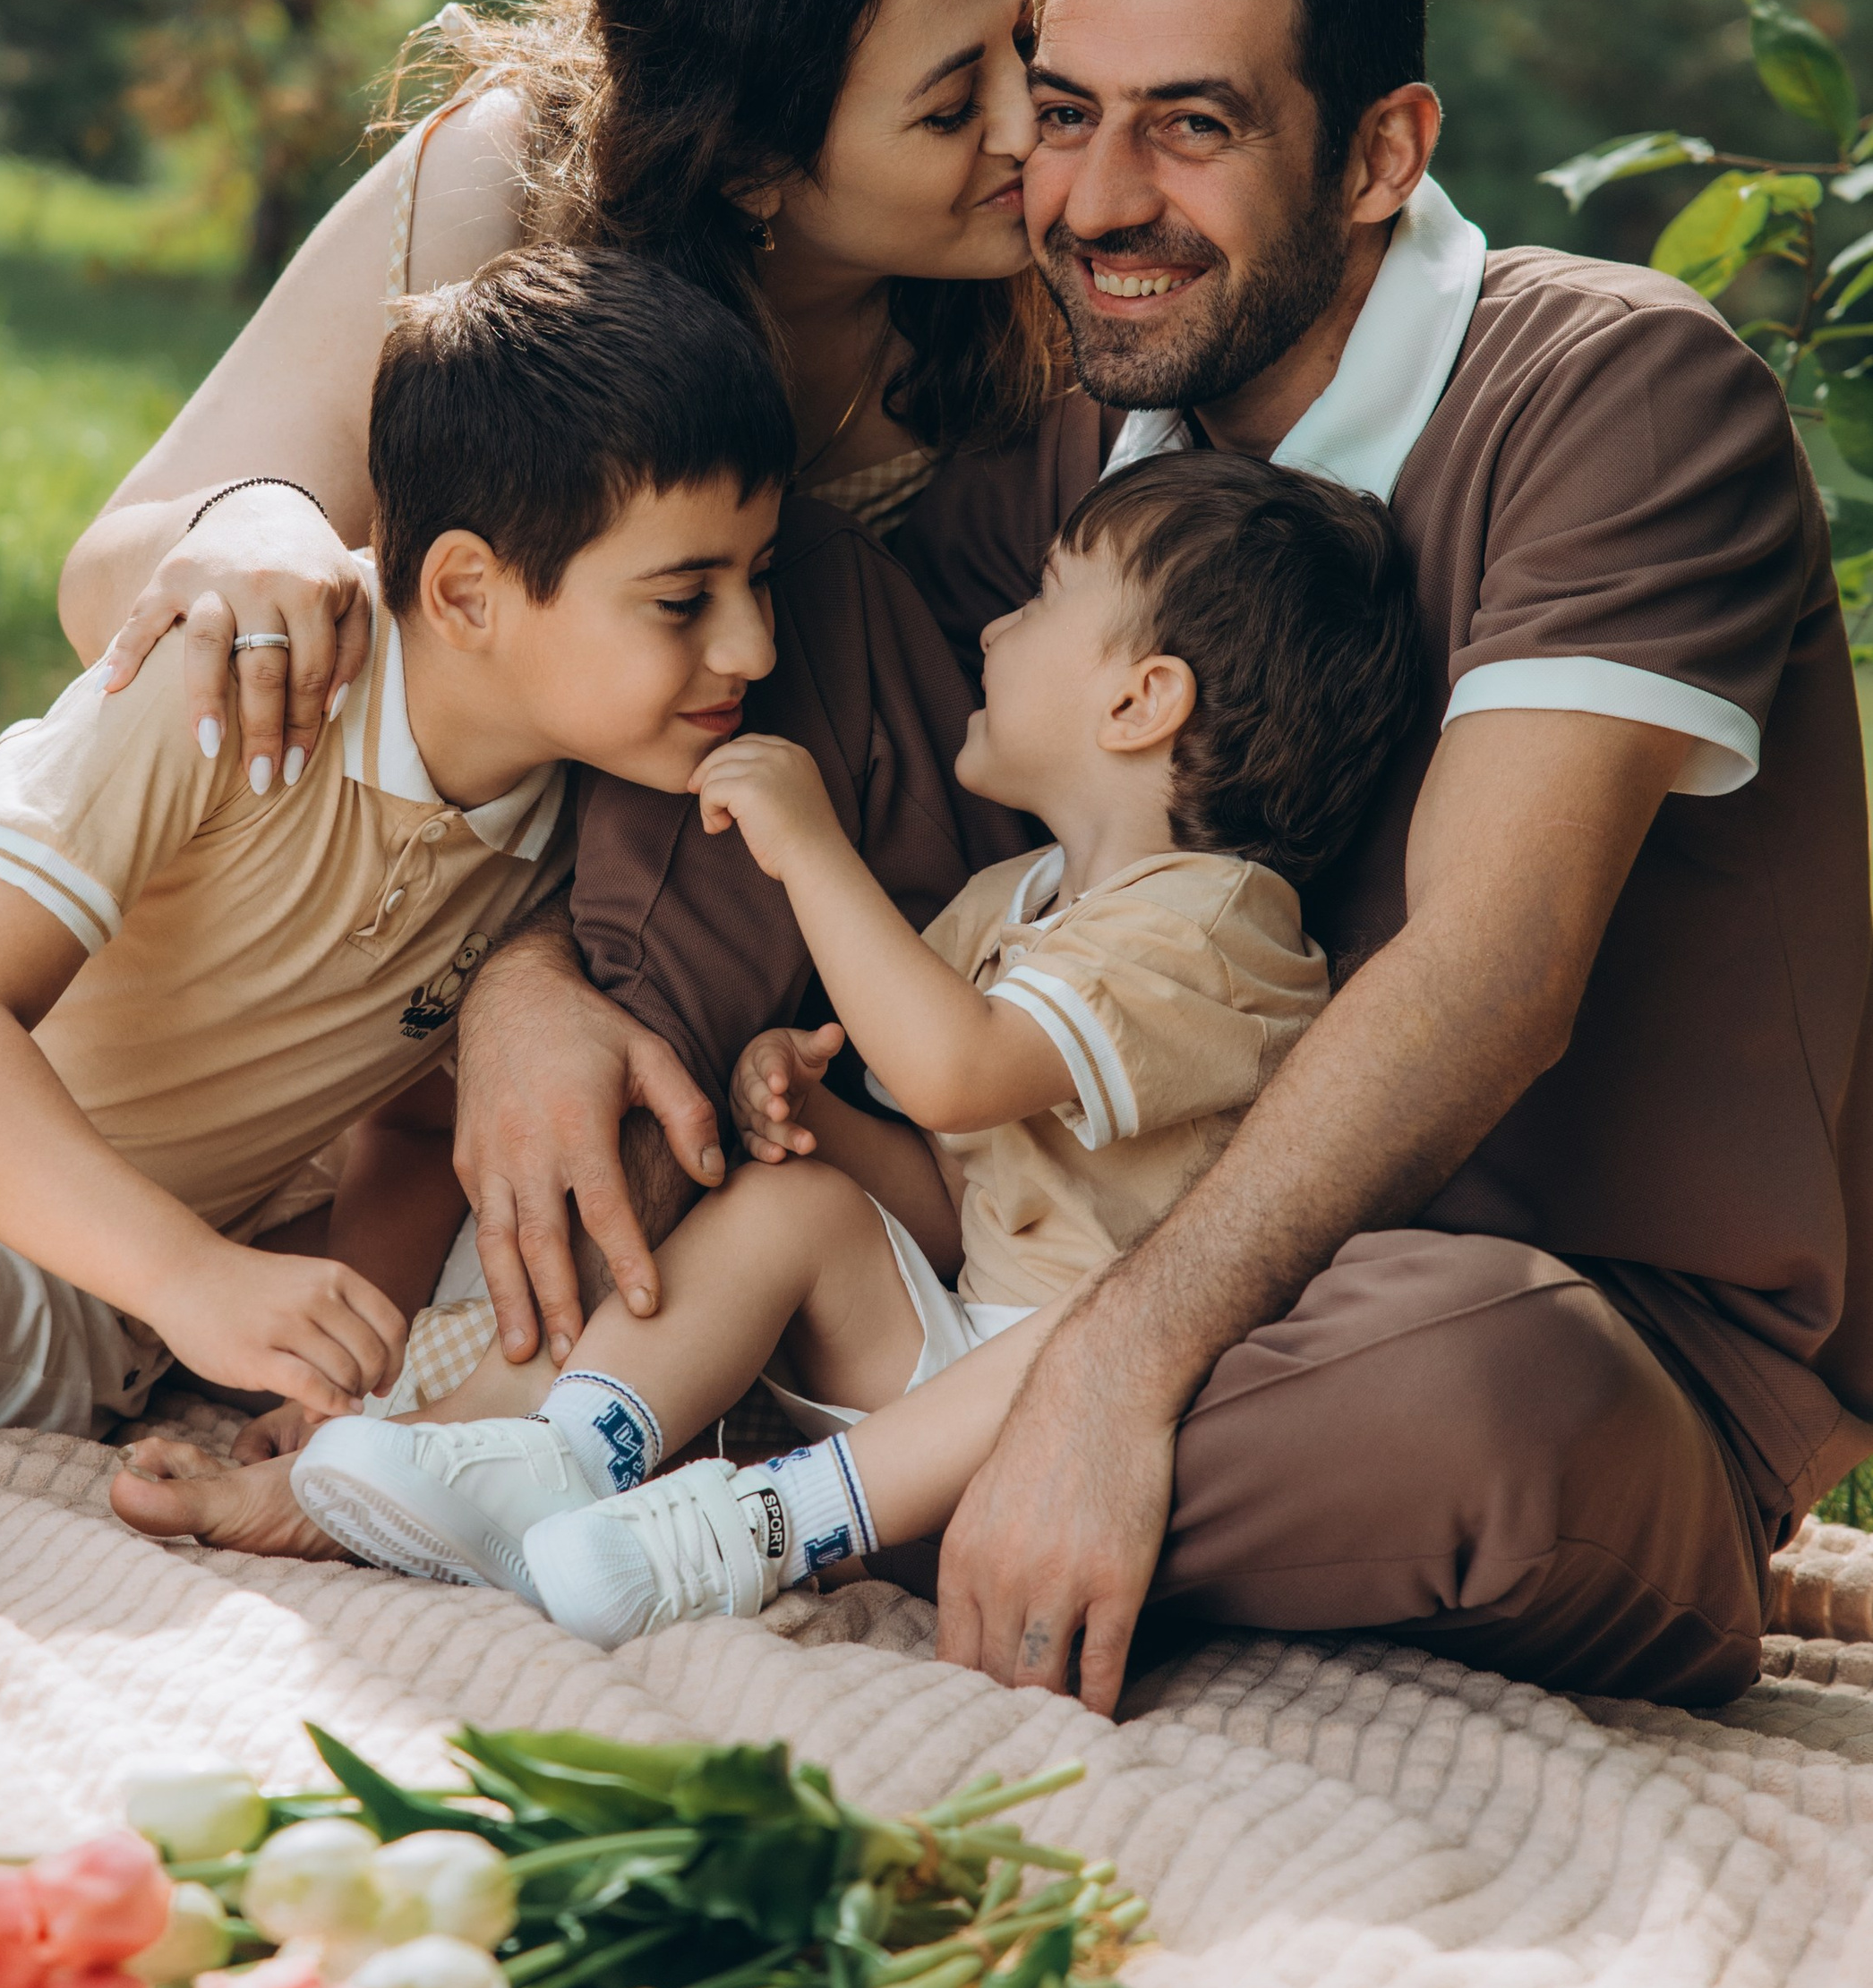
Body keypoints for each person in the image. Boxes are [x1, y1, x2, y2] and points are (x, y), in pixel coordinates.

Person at [400, 0, 1873, 1716]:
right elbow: (801, 746)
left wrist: (1119, 1366)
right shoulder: (1092, 426)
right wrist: (531, 986)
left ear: (1375, 154)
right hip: (1054, 1228)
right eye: (1067, 116)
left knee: (1476, 1379)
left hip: (1525, 1320)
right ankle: (542, 1371)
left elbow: (1488, 971)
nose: (1095, 200)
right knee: (776, 617)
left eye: (1189, 130)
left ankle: (774, 1437)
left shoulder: (1610, 393)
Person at [59, 0, 1087, 1367]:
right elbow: (112, 578)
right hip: (358, 937)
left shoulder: (1051, 292)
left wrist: (532, 978)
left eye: (1025, 42)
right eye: (955, 104)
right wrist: (253, 520)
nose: (1037, 130)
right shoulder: (507, 187)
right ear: (753, 164)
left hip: (794, 984)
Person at [108, 451, 1423, 1637]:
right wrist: (820, 1122)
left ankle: (746, 1534)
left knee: (1077, 1328)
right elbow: (952, 1195)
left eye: (1041, 604)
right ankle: (558, 1457)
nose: (997, 630)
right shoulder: (1011, 903)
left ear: (1141, 702)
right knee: (790, 1201)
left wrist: (812, 851)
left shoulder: (1220, 931)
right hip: (936, 1355)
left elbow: (956, 1070)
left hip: (1061, 1421)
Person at [0, 253, 791, 1531]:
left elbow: (423, 1122)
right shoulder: (249, 677)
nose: (753, 648)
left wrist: (326, 1362)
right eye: (684, 599)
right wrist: (201, 1276)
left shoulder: (572, 850)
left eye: (761, 579)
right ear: (466, 593)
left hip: (18, 1265)